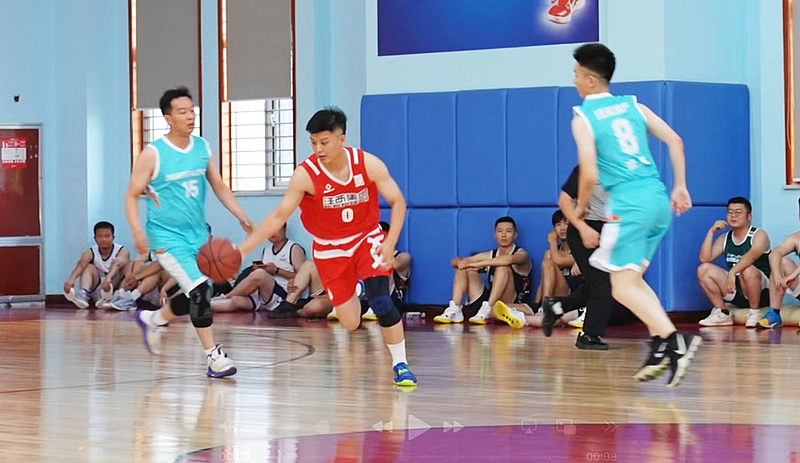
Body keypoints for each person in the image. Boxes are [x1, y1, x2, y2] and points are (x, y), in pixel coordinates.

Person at [237, 107, 417, 387]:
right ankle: (354, 289)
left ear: (341, 139)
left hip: (366, 238)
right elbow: (280, 215)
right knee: (350, 322)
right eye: (313, 143)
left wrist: (389, 242)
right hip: (330, 249)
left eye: (324, 142)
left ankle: (401, 365)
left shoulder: (367, 164)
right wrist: (243, 248)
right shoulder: (305, 175)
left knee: (382, 301)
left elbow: (397, 201)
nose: (318, 149)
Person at [570, 43, 700, 388]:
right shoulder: (634, 106)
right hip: (657, 197)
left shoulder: (583, 117)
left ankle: (674, 341)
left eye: (576, 74)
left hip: (627, 204)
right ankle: (660, 344)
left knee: (620, 287)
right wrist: (680, 186)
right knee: (634, 280)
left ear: (591, 79)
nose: (574, 80)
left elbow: (589, 173)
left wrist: (581, 206)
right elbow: (676, 141)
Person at [124, 86, 254, 378]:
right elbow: (131, 194)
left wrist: (241, 215)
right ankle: (214, 357)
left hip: (198, 236)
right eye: (182, 112)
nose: (190, 116)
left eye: (192, 110)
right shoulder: (153, 154)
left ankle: (154, 319)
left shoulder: (202, 148)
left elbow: (218, 185)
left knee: (204, 291)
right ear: (168, 118)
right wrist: (137, 231)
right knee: (199, 290)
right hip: (167, 238)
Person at [433, 216, 534, 325]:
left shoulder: (522, 254)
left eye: (508, 231)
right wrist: (461, 262)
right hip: (487, 306)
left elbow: (507, 260)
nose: (503, 235)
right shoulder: (490, 254)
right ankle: (455, 309)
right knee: (463, 268)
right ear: (495, 234)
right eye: (500, 231)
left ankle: (488, 308)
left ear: (515, 235)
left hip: (513, 304)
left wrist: (478, 264)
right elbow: (454, 262)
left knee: (502, 267)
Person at [697, 197, 771, 327]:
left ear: (749, 217)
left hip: (761, 291)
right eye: (730, 212)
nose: (733, 215)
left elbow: (752, 255)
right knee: (703, 269)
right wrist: (711, 232)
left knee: (747, 269)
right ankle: (723, 312)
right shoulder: (725, 238)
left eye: (738, 212)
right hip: (736, 289)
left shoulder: (759, 234)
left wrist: (733, 271)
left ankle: (755, 312)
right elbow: (705, 258)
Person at [211, 224, 305, 312]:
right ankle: (206, 306)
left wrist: (277, 271)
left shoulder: (294, 248)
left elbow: (302, 277)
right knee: (236, 300)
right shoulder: (267, 250)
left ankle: (225, 296)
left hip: (282, 295)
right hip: (263, 293)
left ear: (284, 229)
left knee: (260, 274)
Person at [63, 221, 129, 309]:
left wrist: (108, 279)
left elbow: (118, 264)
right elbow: (81, 265)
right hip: (97, 289)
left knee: (123, 265)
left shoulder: (122, 251)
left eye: (107, 236)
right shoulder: (90, 252)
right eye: (100, 236)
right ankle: (84, 294)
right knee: (88, 266)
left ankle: (120, 297)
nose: (103, 239)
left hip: (113, 286)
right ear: (95, 238)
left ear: (113, 238)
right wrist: (70, 280)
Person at [758, 198, 800, 328]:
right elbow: (775, 253)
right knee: (780, 262)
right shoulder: (796, 237)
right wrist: (777, 275)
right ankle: (774, 313)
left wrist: (793, 275)